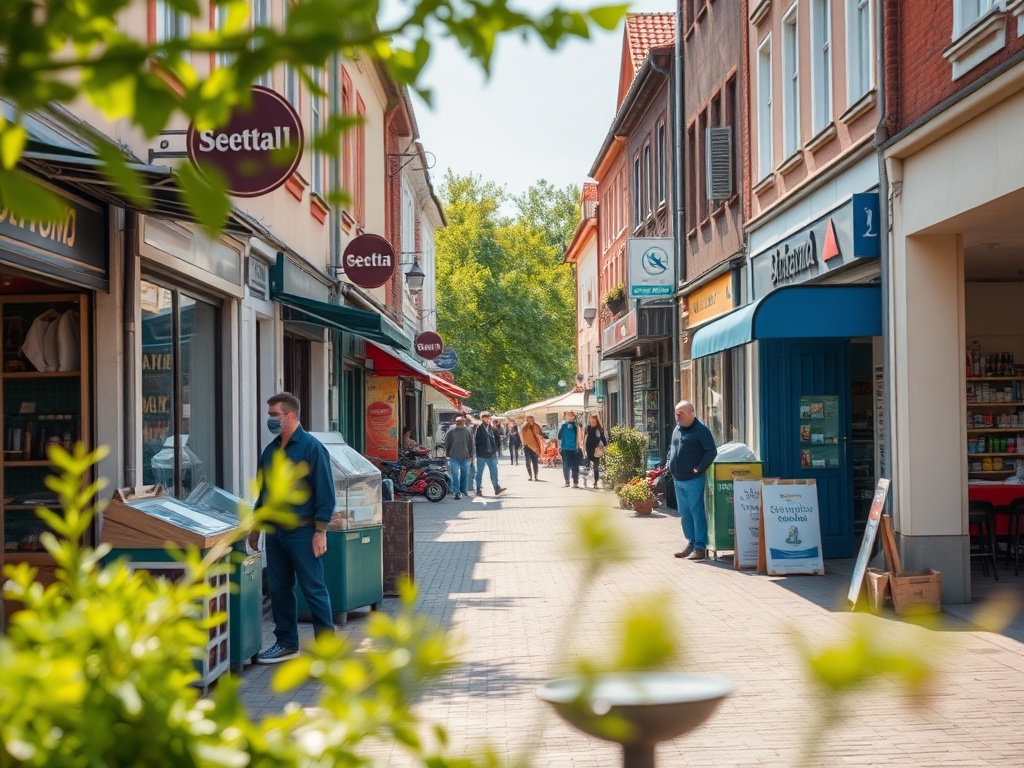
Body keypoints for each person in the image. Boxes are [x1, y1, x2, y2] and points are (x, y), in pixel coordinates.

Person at [249, 392, 335, 664]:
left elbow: (325, 492)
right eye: (270, 415)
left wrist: (320, 531)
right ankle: (286, 642)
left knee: (313, 588)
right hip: (275, 533)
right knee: (279, 589)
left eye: (274, 415)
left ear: (291, 416)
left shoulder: (311, 447)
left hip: (303, 531)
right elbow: (264, 492)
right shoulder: (271, 451)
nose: (270, 420)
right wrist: (256, 527)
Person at [665, 400, 718, 562]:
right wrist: (668, 463)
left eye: (680, 413)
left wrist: (698, 468)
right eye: (676, 413)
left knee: (696, 512)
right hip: (677, 479)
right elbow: (671, 448)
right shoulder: (677, 429)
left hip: (693, 480)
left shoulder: (701, 430)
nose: (677, 416)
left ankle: (700, 547)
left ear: (691, 413)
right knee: (685, 513)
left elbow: (711, 451)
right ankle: (690, 543)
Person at [474, 411, 506, 496]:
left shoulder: (492, 427)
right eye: (486, 417)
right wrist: (479, 451)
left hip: (492, 453)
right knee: (479, 472)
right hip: (481, 454)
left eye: (488, 417)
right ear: (482, 418)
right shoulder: (479, 428)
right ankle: (478, 489)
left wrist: (497, 449)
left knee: (494, 471)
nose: (488, 418)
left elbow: (497, 438)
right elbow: (476, 441)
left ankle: (496, 488)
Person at [444, 416, 474, 500]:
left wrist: (472, 456)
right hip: (454, 456)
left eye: (461, 422)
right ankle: (456, 492)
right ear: (456, 422)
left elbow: (471, 444)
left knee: (464, 474)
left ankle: (463, 490)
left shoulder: (467, 431)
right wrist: (447, 453)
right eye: (458, 422)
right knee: (455, 474)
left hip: (465, 456)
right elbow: (447, 442)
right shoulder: (451, 430)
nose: (460, 423)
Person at [582, 413, 608, 489]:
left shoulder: (599, 429)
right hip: (589, 449)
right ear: (590, 420)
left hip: (596, 450)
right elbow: (585, 438)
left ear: (597, 421)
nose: (592, 422)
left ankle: (595, 482)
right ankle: (585, 480)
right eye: (591, 420)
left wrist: (606, 445)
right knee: (587, 465)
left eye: (594, 421)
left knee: (596, 467)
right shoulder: (588, 428)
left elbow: (603, 439)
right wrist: (583, 448)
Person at [557, 410, 582, 488]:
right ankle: (567, 481)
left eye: (570, 415)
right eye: (567, 415)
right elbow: (559, 436)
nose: (568, 416)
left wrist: (579, 446)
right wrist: (559, 447)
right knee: (566, 466)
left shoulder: (576, 425)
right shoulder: (563, 425)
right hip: (565, 448)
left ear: (573, 416)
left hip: (574, 449)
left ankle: (575, 481)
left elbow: (579, 436)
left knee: (575, 466)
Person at [520, 414, 544, 481]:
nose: (531, 420)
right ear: (527, 420)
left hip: (535, 446)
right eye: (529, 418)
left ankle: (536, 476)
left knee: (535, 462)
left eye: (532, 418)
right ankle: (530, 476)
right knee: (528, 462)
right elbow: (523, 435)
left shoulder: (536, 426)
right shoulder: (524, 427)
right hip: (526, 446)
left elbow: (540, 435)